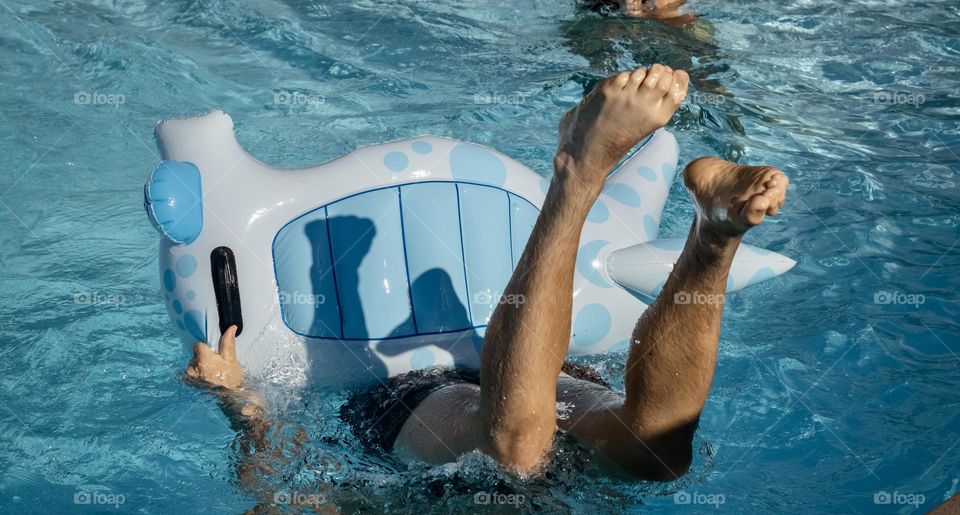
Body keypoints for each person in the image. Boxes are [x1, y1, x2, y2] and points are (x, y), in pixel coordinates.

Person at [186, 65, 788, 482]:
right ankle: (713, 238)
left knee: (522, 454)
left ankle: (586, 177)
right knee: (657, 458)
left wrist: (244, 407)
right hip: (527, 384)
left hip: (414, 398)